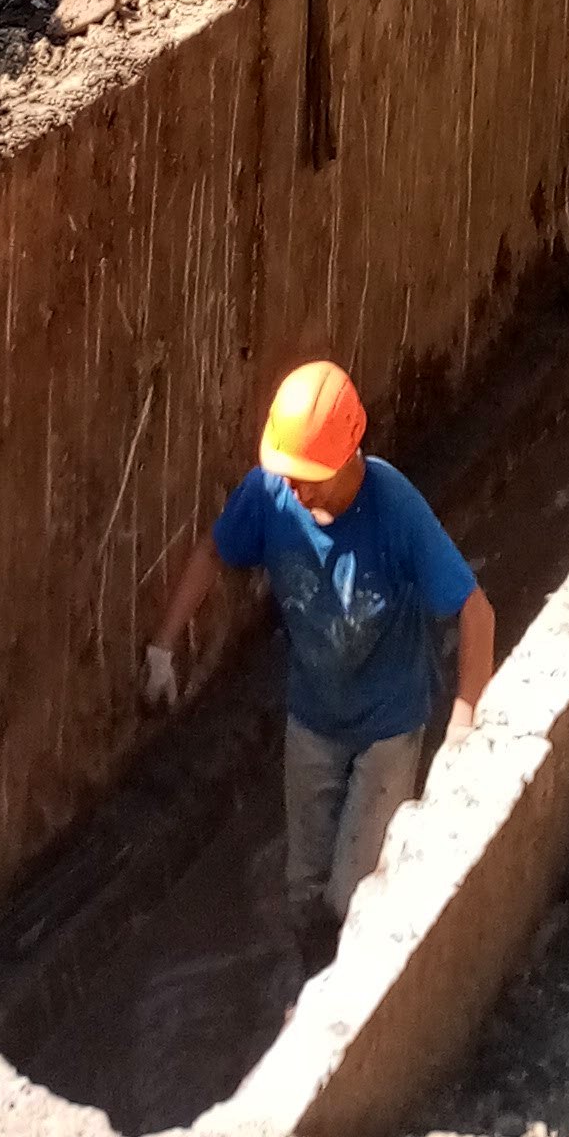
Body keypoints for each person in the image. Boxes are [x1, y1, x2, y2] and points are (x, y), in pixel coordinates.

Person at [143, 359, 495, 972]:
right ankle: (312, 996)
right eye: (290, 476)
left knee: (354, 899)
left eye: (311, 479)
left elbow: (475, 611)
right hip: (313, 719)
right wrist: (162, 647)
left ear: (348, 457)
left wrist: (463, 726)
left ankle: (356, 1006)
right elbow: (214, 550)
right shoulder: (273, 494)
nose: (297, 492)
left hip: (388, 727)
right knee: (303, 894)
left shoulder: (395, 512)